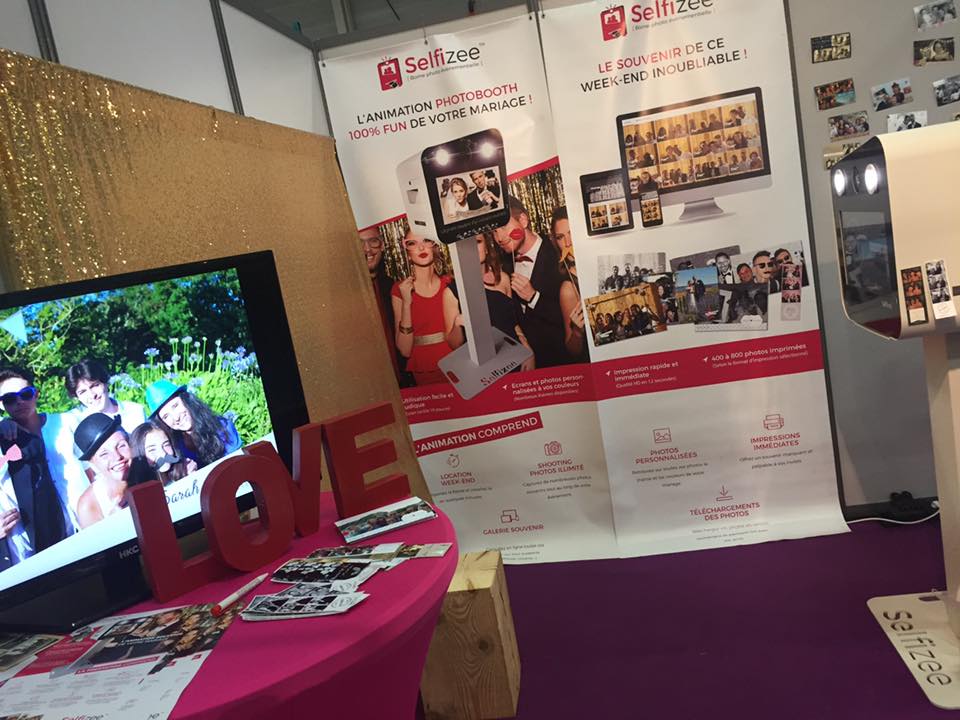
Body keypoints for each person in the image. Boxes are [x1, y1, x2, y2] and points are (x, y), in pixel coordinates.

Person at [0, 366, 85, 535]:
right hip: (37, 534)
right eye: (9, 398)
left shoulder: (66, 422)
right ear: (1, 405)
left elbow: (92, 466)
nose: (19, 402)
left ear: (36, 393)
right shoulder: (4, 442)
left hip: (83, 518)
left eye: (25, 394)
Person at [494, 196, 567, 368]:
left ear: (523, 220)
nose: (499, 237)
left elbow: (573, 319)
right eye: (494, 231)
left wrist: (534, 298)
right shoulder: (503, 265)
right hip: (525, 364)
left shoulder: (557, 256)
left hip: (560, 364)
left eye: (503, 227)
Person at [391, 231, 463, 385]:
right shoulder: (399, 289)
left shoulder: (451, 283)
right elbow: (404, 350)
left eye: (426, 240)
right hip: (425, 370)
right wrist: (406, 302)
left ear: (435, 246)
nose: (421, 247)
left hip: (458, 360)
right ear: (408, 253)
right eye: (412, 243)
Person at [145, 380, 242, 469]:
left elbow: (237, 465)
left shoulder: (222, 428)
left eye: (175, 406)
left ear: (186, 400)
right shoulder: (174, 445)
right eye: (166, 416)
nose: (176, 418)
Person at [360, 227, 412, 387]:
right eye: (359, 242)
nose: (367, 249)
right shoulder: (346, 295)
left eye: (373, 241)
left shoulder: (392, 288)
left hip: (403, 381)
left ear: (382, 245)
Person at [73, 413, 132, 528]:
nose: (117, 457)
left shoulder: (152, 472)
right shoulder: (89, 505)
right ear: (93, 463)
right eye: (104, 454)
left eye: (121, 446)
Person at [64, 360, 147, 435]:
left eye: (94, 386)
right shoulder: (76, 424)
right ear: (77, 397)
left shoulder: (136, 411)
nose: (92, 395)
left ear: (106, 383)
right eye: (83, 392)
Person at [549, 207, 588, 363]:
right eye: (560, 237)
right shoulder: (568, 288)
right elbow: (573, 350)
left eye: (572, 233)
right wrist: (577, 332)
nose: (567, 243)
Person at [129, 420, 198, 486]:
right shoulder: (138, 491)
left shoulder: (185, 470)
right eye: (152, 450)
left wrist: (192, 479)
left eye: (166, 445)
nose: (163, 454)